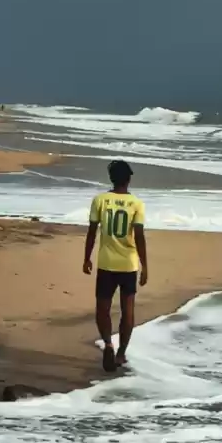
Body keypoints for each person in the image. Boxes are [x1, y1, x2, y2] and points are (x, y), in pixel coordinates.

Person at [83, 159, 148, 372]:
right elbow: (139, 236)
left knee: (102, 308)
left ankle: (109, 344)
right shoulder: (136, 204)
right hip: (128, 265)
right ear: (129, 179)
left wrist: (86, 258)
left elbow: (92, 232)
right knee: (127, 311)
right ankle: (121, 354)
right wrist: (144, 265)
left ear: (111, 179)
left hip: (106, 264)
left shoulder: (100, 200)